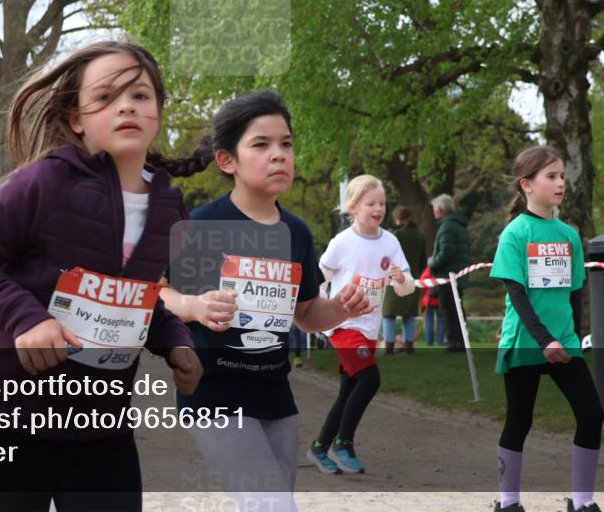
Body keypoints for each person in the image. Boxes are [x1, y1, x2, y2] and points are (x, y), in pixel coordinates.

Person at [0, 40, 204, 512]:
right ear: (76, 119)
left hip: (103, 430)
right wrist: (27, 319)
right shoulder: (43, 181)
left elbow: (142, 296)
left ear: (159, 113)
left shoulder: (170, 205)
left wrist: (177, 342)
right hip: (9, 422)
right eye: (105, 97)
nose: (126, 105)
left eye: (141, 95)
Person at [159, 90, 372, 510]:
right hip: (213, 393)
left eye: (286, 144)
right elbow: (157, 294)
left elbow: (308, 315)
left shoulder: (296, 233)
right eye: (262, 144)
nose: (279, 155)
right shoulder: (200, 224)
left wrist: (341, 308)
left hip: (275, 394)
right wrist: (195, 306)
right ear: (227, 160)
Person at [490, 147, 604, 512]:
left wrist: (572, 338)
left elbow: (573, 294)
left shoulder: (569, 235)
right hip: (526, 342)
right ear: (526, 184)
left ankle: (583, 503)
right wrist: (545, 340)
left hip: (563, 342)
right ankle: (508, 503)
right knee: (519, 421)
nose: (560, 183)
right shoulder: (514, 233)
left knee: (591, 413)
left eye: (562, 177)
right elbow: (518, 297)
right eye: (551, 177)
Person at [308, 174, 415, 475]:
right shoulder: (342, 242)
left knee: (349, 390)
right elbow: (319, 278)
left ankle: (319, 447)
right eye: (371, 203)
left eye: (382, 203)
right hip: (343, 326)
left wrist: (400, 278)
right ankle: (344, 443)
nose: (378, 208)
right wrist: (315, 312)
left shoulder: (390, 242)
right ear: (353, 207)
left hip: (369, 328)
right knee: (370, 380)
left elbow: (408, 286)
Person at [428, 193, 471, 352]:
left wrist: (432, 263)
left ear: (440, 209)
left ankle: (454, 342)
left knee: (448, 309)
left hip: (448, 275)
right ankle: (461, 340)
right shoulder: (459, 225)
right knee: (457, 309)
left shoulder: (447, 226)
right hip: (458, 274)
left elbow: (446, 252)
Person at [382, 205, 426, 354]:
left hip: (394, 279)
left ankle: (389, 347)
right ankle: (409, 346)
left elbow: (386, 260)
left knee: (388, 314)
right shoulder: (420, 236)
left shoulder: (395, 236)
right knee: (409, 315)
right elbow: (423, 262)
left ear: (397, 219)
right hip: (412, 279)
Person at [420, 266, 446, 346]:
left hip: (429, 301)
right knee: (441, 322)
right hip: (440, 300)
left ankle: (429, 343)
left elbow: (421, 286)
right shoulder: (442, 271)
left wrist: (423, 300)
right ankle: (441, 342)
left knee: (429, 323)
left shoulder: (426, 273)